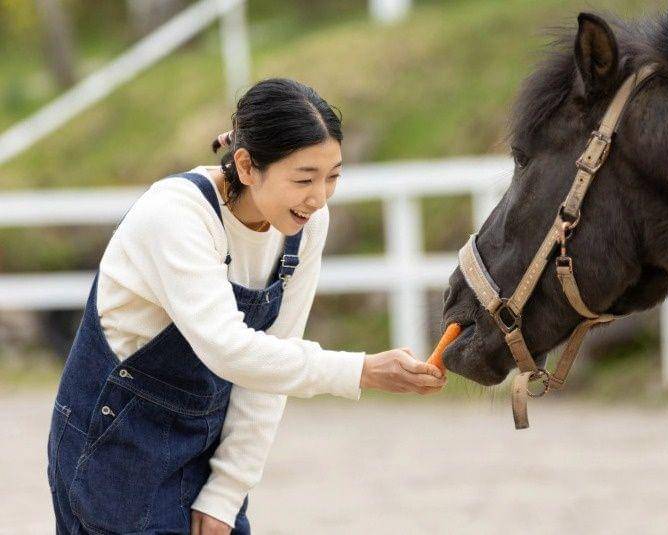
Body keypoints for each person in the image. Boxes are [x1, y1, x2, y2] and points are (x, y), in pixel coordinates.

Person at [46, 78, 446, 535]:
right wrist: (362, 370)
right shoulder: (177, 216)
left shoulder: (306, 225)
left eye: (332, 176)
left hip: (206, 443)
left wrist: (226, 492)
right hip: (115, 445)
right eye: (303, 178)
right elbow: (229, 349)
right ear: (248, 166)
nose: (319, 197)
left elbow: (270, 365)